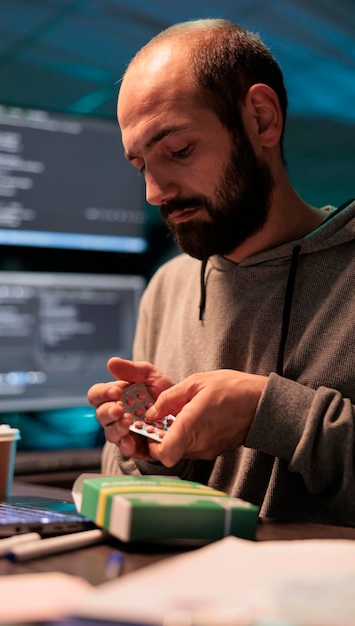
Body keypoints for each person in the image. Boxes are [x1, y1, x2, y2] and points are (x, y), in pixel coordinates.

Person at [87, 18, 355, 526]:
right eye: (141, 164)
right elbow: (137, 495)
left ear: (261, 119)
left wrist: (267, 411)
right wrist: (158, 448)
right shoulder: (167, 288)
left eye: (179, 150)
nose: (155, 192)